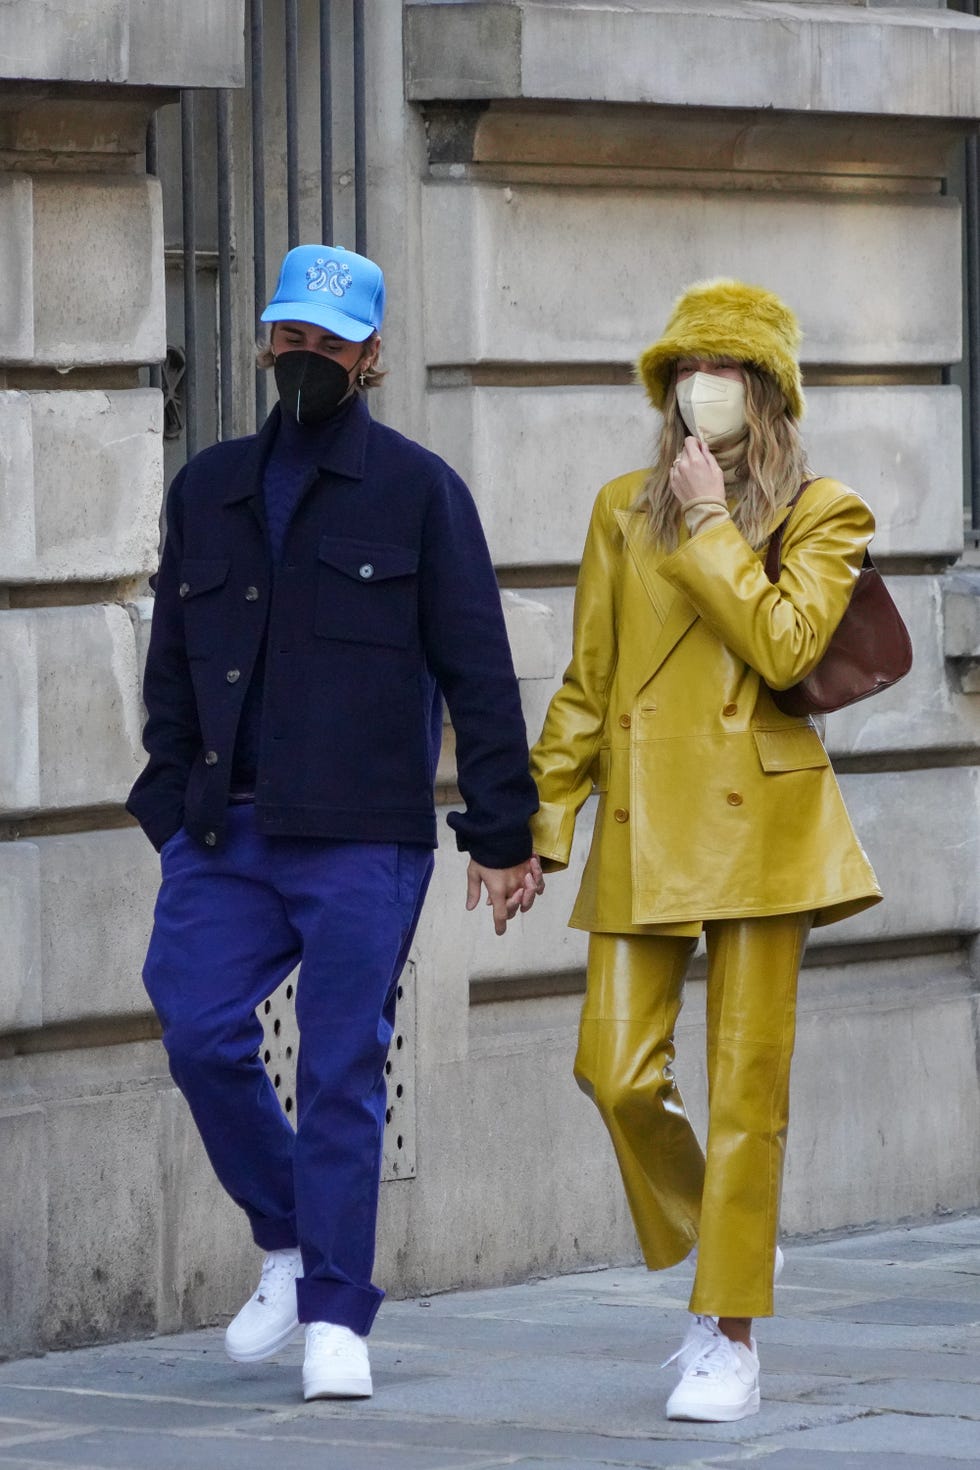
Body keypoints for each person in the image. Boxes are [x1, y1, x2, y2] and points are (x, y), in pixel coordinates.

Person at [127, 244, 542, 1402]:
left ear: (371, 356)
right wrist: (168, 806)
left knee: (344, 1062)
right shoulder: (205, 484)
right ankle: (289, 1240)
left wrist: (502, 833)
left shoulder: (419, 492)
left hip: (364, 833)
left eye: (328, 343)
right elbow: (169, 662)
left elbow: (478, 673)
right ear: (266, 341)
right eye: (288, 338)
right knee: (198, 1027)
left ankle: (337, 1314)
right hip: (223, 833)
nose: (304, 359)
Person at [528, 279, 882, 1423]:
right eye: (682, 369)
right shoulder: (617, 509)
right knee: (614, 1071)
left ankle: (728, 1331)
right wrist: (541, 825)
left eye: (720, 371)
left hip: (760, 826)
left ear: (764, 393)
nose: (698, 390)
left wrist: (714, 524)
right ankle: (732, 1233)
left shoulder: (825, 512)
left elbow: (782, 647)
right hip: (643, 818)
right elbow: (586, 679)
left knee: (746, 1092)